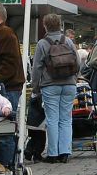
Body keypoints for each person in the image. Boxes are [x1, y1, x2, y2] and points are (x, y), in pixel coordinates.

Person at [31, 14, 79, 163]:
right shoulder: (68, 41)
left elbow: (37, 67)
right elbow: (77, 62)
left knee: (52, 119)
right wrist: (74, 79)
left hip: (50, 85)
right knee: (66, 119)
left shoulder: (42, 43)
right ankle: (65, 152)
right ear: (60, 25)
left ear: (45, 26)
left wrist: (35, 86)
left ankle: (53, 153)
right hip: (69, 84)